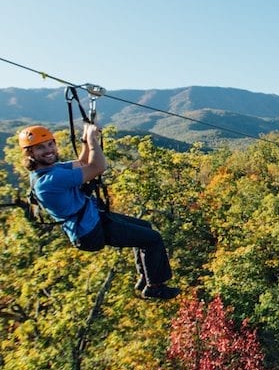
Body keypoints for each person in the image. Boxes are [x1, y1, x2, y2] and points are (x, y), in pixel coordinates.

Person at [18, 124, 180, 300]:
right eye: (40, 147)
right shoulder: (50, 180)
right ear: (30, 153)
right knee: (153, 239)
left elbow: (82, 163)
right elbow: (98, 166)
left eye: (50, 144)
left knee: (145, 228)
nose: (48, 150)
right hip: (90, 230)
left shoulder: (49, 171)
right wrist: (93, 140)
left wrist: (86, 139)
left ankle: (146, 277)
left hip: (92, 219)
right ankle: (154, 287)